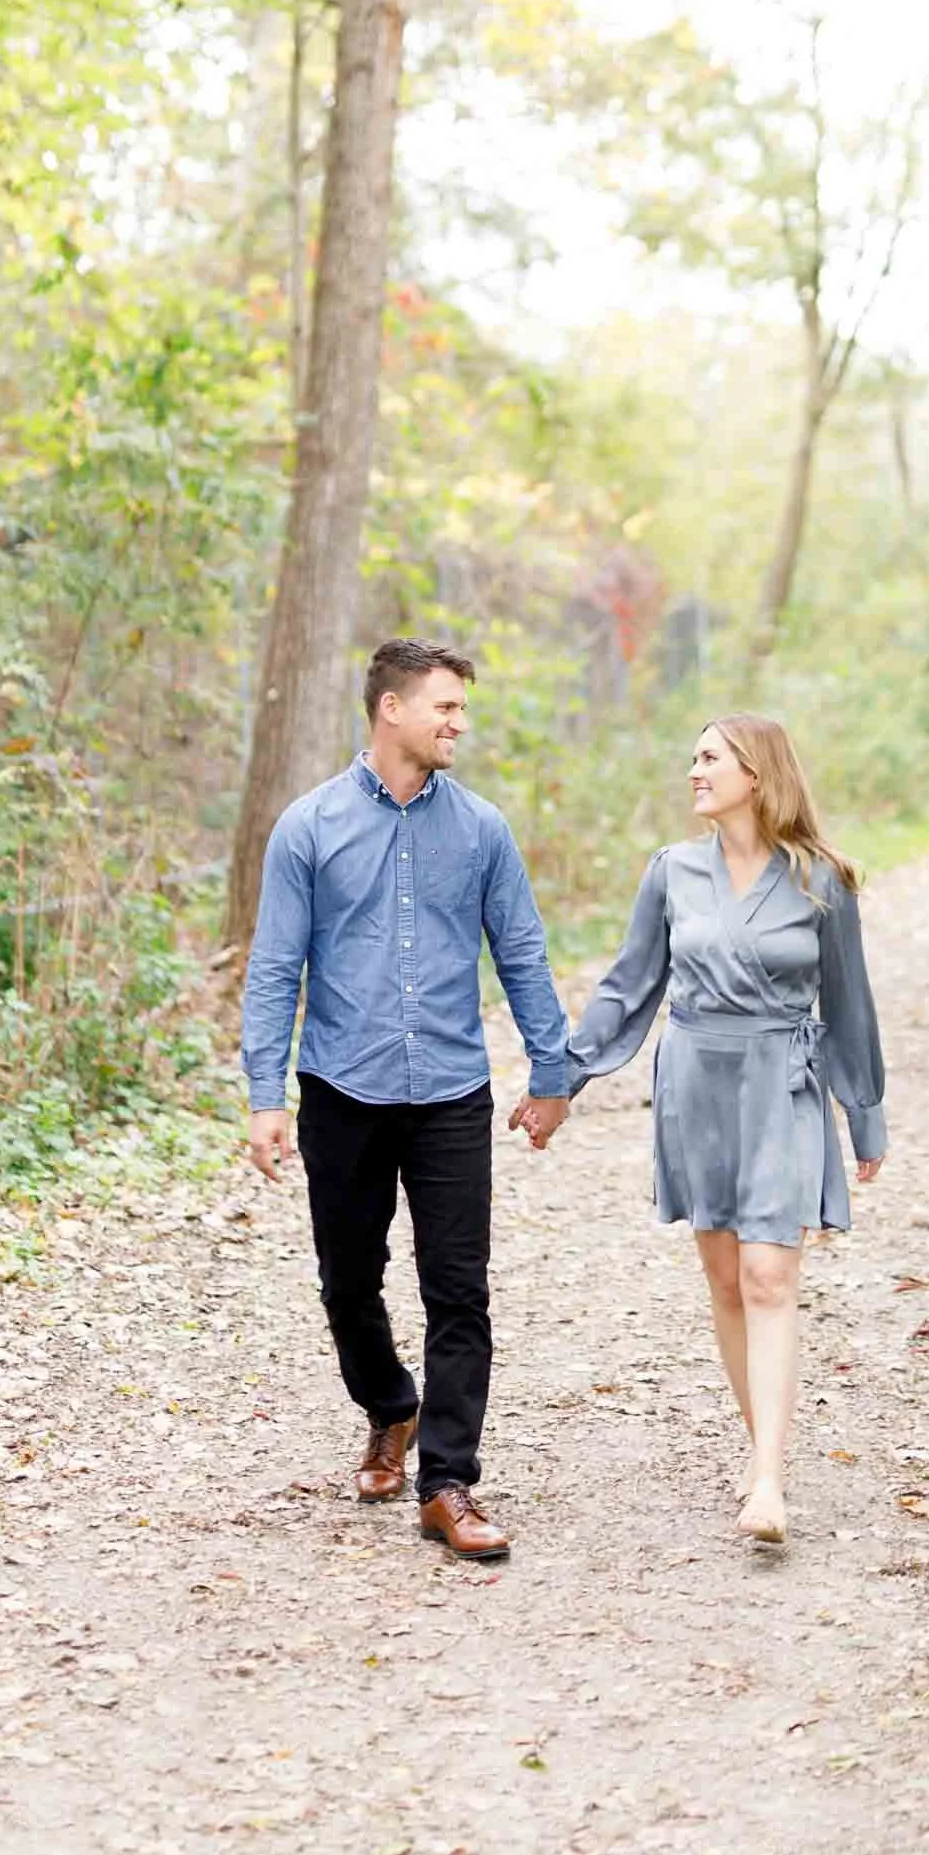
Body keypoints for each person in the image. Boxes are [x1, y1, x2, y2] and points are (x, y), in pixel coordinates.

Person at [515, 712, 886, 1548]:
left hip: (781, 1083)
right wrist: (560, 1080)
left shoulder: (823, 881)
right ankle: (765, 1449)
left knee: (767, 1275)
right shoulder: (671, 872)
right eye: (691, 757)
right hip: (696, 1081)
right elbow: (627, 987)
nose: (693, 771)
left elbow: (849, 1001)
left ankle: (766, 1480)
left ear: (756, 772)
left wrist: (864, 1115)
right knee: (724, 1278)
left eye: (709, 758)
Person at [240, 638, 571, 1562]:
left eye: (463, 708)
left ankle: (449, 1482)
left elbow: (522, 954)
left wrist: (553, 1074)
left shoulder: (481, 830)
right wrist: (265, 1093)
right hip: (341, 1087)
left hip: (452, 1095)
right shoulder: (308, 827)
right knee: (348, 1283)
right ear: (392, 710)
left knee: (458, 1289)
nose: (460, 723)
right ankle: (391, 1406)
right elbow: (274, 969)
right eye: (446, 707)